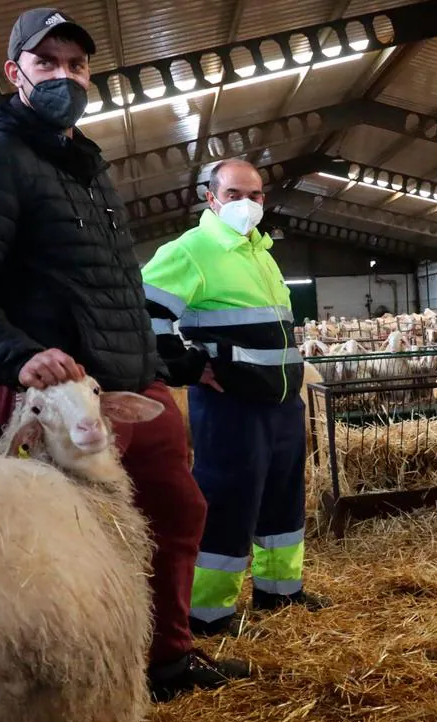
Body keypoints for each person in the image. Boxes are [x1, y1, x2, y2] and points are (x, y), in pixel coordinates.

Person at [0, 7, 251, 722]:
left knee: (174, 516)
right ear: (15, 74)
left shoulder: (88, 162)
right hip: (60, 396)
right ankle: (96, 714)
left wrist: (175, 366)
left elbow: (110, 292)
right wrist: (18, 357)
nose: (65, 77)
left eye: (77, 65)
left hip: (131, 390)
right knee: (72, 560)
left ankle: (164, 655)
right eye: (48, 64)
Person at [141, 158, 333, 636]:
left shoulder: (261, 252)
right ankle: (208, 615)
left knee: (283, 499)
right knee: (227, 503)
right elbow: (143, 316)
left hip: (283, 402)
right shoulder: (192, 250)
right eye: (234, 194)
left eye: (255, 195)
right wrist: (187, 366)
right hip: (231, 405)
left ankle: (281, 592)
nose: (246, 204)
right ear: (211, 197)